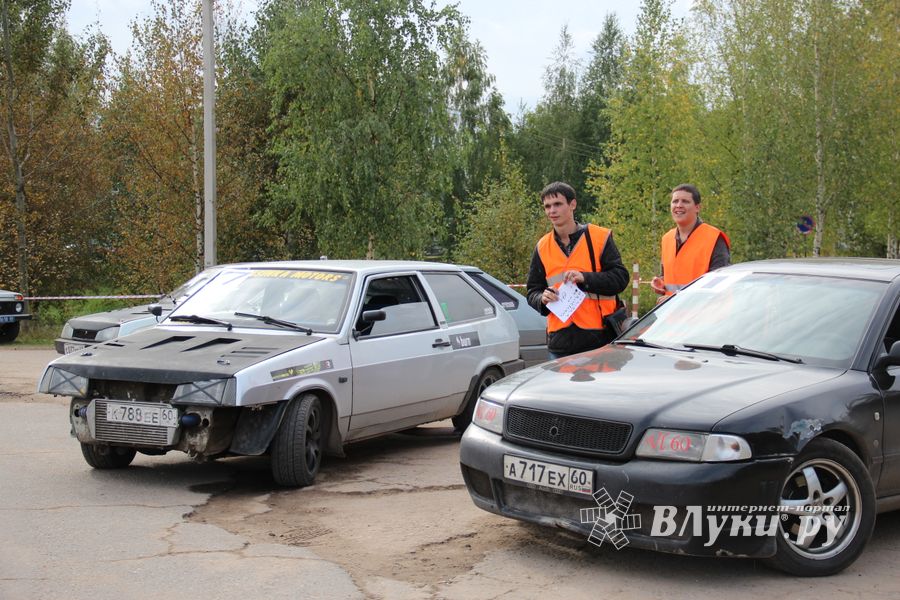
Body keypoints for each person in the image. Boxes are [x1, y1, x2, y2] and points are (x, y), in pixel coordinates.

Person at [526, 181, 630, 359]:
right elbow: (532, 291)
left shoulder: (599, 237)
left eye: (558, 204)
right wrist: (542, 298)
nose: (552, 211)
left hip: (599, 338)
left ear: (572, 204)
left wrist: (585, 278)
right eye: (547, 206)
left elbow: (620, 278)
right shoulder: (542, 246)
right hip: (560, 342)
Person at [650, 184, 730, 299]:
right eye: (675, 201)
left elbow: (719, 284)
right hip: (672, 314)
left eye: (685, 201)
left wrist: (677, 299)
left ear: (697, 207)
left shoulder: (713, 237)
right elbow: (672, 279)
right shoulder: (667, 239)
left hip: (703, 313)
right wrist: (661, 283)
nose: (679, 205)